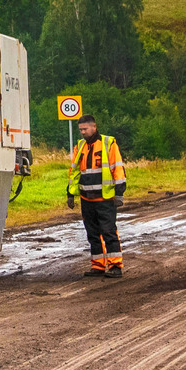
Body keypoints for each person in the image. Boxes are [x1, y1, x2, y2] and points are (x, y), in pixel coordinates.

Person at [67, 115, 127, 277]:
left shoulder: (108, 143)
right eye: (80, 130)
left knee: (108, 231)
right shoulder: (80, 146)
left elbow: (118, 168)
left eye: (85, 129)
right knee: (92, 234)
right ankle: (98, 266)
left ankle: (115, 266)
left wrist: (119, 193)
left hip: (105, 199)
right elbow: (74, 172)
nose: (83, 132)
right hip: (87, 199)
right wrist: (70, 194)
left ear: (94, 127)